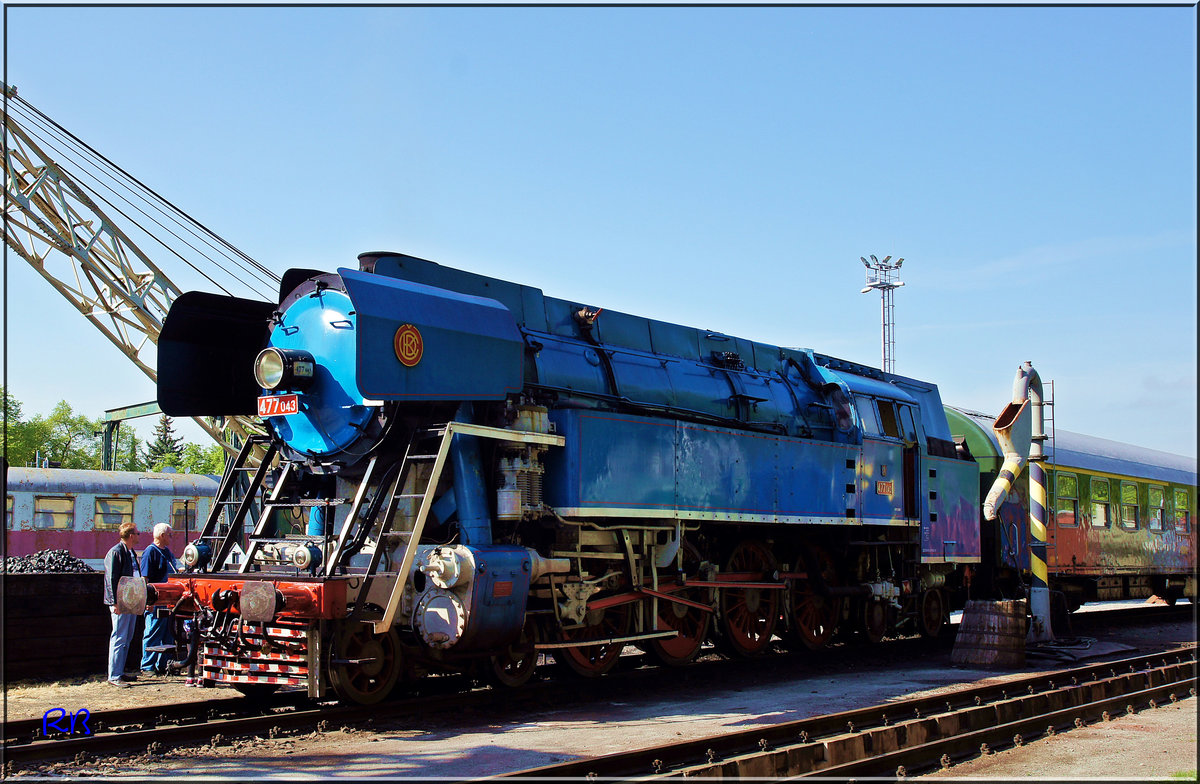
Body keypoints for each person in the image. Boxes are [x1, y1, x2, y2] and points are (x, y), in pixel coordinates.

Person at [103, 522, 140, 688]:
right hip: (121, 601)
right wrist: (114, 602)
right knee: (119, 636)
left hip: (130, 599)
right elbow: (111, 578)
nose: (139, 536)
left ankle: (119, 671)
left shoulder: (130, 552)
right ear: (131, 535)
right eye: (137, 533)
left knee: (127, 637)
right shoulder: (116, 552)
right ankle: (114, 675)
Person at [139, 522, 179, 675]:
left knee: (168, 633)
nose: (171, 537)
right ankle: (147, 666)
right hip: (155, 599)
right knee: (153, 632)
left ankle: (164, 664)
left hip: (168, 599)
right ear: (162, 536)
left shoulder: (167, 552)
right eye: (169, 534)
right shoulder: (150, 552)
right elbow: (145, 579)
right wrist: (147, 601)